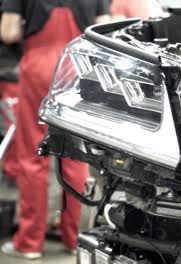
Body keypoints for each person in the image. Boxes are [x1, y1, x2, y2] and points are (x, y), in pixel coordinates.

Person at [0, 0, 110, 259]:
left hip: (37, 66)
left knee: (32, 155)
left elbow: (9, 32)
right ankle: (75, 239)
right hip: (79, 69)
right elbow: (105, 30)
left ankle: (29, 242)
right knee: (75, 156)